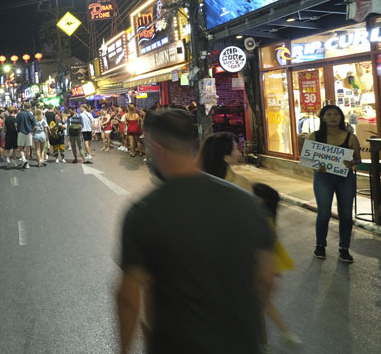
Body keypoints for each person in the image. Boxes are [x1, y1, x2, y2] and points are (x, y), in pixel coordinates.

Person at [116, 109, 276, 354]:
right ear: (193, 144)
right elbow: (266, 279)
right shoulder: (246, 201)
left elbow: (129, 298)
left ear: (156, 147)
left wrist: (125, 349)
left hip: (176, 344)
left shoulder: (144, 212)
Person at [306, 104, 361, 263]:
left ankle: (344, 248)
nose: (332, 117)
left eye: (336, 114)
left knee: (345, 214)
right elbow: (308, 159)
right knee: (323, 213)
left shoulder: (350, 137)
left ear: (341, 117)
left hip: (345, 178)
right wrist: (317, 166)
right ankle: (320, 245)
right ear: (322, 118)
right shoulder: (314, 136)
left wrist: (351, 163)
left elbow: (358, 159)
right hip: (323, 178)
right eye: (328, 114)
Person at [251, 183, 299, 349]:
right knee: (264, 305)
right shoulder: (269, 218)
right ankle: (283, 334)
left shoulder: (261, 220)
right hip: (270, 268)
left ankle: (264, 343)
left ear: (262, 200)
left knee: (261, 306)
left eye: (254, 196)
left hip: (259, 269)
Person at [16, 103, 35, 169]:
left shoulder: (19, 114)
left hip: (21, 132)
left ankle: (23, 158)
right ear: (30, 107)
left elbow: (16, 123)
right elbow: (34, 124)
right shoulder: (31, 114)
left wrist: (18, 129)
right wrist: (31, 130)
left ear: (24, 107)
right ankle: (27, 163)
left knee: (20, 147)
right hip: (29, 133)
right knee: (28, 149)